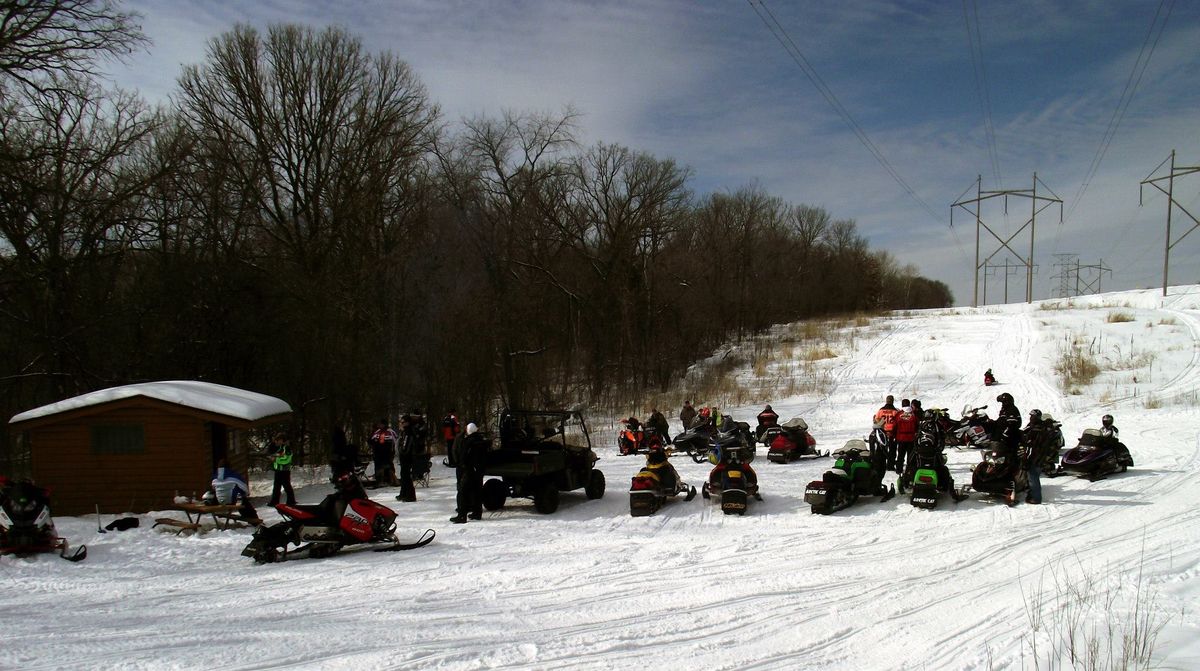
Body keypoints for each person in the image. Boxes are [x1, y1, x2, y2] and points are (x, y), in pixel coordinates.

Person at [450, 423, 488, 524]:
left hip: (469, 470)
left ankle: (462, 515)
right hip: (479, 470)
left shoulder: (468, 441)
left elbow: (464, 455)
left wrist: (462, 465)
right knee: (477, 491)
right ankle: (477, 513)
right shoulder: (482, 440)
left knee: (463, 491)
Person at [396, 410, 426, 502]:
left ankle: (410, 495)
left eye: (403, 422)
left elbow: (407, 445)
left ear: (407, 423)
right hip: (404, 456)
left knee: (406, 476)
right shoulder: (405, 431)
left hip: (407, 456)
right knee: (403, 475)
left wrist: (404, 452)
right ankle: (403, 493)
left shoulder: (409, 431)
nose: (401, 424)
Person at [267, 433, 295, 506]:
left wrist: (275, 459)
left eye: (279, 440)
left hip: (284, 470)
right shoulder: (280, 448)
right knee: (276, 487)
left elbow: (286, 459)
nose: (277, 442)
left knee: (287, 486)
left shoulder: (287, 448)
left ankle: (291, 501)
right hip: (278, 470)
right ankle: (274, 501)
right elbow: (273, 454)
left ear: (283, 441)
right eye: (277, 441)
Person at [369, 420, 398, 487]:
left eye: (381, 424)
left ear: (384, 424)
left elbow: (394, 441)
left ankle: (393, 481)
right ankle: (379, 481)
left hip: (387, 453)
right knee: (379, 468)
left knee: (389, 467)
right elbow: (371, 440)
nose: (379, 425)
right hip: (378, 453)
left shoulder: (390, 432)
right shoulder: (377, 432)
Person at [873, 395, 900, 467]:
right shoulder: (895, 411)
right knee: (892, 449)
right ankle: (890, 465)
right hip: (892, 432)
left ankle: (880, 463)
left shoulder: (881, 410)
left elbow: (876, 419)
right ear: (892, 401)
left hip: (882, 432)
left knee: (881, 449)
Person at [893, 402, 918, 475]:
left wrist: (894, 435)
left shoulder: (899, 414)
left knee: (900, 455)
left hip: (901, 438)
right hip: (911, 438)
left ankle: (899, 469)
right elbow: (917, 425)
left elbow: (894, 425)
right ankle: (910, 470)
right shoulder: (913, 414)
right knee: (910, 455)